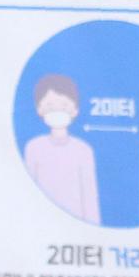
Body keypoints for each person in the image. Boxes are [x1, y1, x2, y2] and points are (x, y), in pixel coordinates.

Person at [22, 73, 100, 224]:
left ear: (75, 110)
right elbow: (28, 191)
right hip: (43, 223)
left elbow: (89, 198)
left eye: (64, 105)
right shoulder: (34, 147)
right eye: (50, 106)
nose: (57, 111)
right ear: (39, 109)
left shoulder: (83, 150)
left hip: (79, 228)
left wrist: (94, 229)